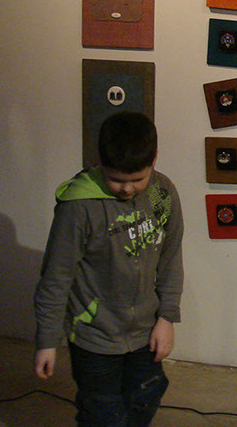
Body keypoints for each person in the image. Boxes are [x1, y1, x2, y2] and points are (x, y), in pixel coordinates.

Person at [34, 111, 184, 427]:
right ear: (101, 161)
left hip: (145, 330)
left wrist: (167, 317)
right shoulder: (79, 206)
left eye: (137, 179)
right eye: (116, 179)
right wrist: (47, 340)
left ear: (154, 159)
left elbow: (171, 258)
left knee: (147, 393)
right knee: (103, 412)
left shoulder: (161, 192)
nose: (127, 189)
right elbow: (56, 277)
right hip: (94, 335)